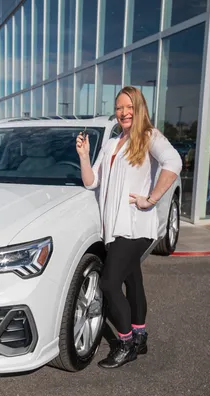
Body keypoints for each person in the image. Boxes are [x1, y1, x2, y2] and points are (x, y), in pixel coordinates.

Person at [76, 86, 182, 369]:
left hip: (135, 226)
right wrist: (85, 156)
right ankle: (140, 335)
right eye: (119, 107)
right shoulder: (112, 143)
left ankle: (124, 343)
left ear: (138, 108)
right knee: (133, 282)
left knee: (110, 284)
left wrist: (153, 198)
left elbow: (174, 162)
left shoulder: (149, 137)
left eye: (128, 107)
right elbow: (91, 182)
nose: (123, 112)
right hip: (114, 227)